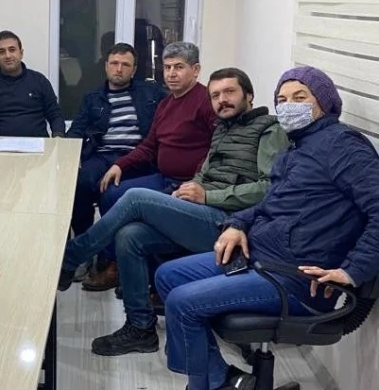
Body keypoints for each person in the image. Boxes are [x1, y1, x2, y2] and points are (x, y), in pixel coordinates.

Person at [155, 66, 379, 390]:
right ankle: (222, 378)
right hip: (260, 257)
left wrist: (353, 271)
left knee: (182, 303)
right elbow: (268, 204)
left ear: (324, 102)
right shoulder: (295, 148)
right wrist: (236, 224)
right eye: (282, 99)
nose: (288, 106)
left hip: (297, 279)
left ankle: (213, 383)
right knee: (167, 276)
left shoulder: (344, 146)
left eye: (300, 98)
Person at [58, 68, 289, 357]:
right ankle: (140, 327)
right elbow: (206, 173)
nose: (222, 100)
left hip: (232, 225)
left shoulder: (269, 130)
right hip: (202, 211)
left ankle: (70, 257)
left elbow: (269, 189)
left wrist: (207, 195)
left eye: (229, 92)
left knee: (135, 197)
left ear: (249, 95)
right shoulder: (222, 128)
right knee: (130, 235)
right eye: (215, 95)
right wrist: (192, 187)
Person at [84, 41, 216, 290]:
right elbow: (149, 146)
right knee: (110, 192)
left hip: (188, 184)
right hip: (163, 177)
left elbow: (216, 148)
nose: (171, 74)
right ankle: (115, 264)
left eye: (179, 67)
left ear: (196, 70)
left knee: (140, 215)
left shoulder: (206, 101)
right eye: (167, 67)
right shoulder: (166, 104)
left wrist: (197, 180)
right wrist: (120, 165)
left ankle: (143, 275)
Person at [66, 42, 166, 236]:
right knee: (80, 183)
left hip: (136, 156)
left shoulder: (150, 93)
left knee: (114, 191)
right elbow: (77, 129)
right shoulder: (92, 98)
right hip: (101, 155)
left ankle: (111, 244)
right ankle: (83, 238)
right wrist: (72, 155)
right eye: (114, 63)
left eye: (125, 65)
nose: (119, 69)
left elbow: (175, 107)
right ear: (106, 66)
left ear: (134, 70)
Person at [0, 30, 65, 137]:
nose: (7, 55)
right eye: (2, 52)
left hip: (36, 145)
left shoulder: (39, 81)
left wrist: (58, 138)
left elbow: (55, 115)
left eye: (12, 50)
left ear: (21, 53)